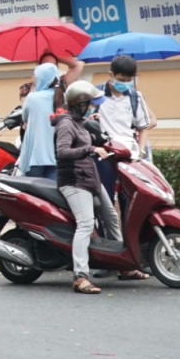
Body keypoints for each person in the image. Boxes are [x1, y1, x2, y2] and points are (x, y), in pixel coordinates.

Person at [55, 80, 124, 294]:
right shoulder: (66, 124)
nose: (93, 107)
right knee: (85, 224)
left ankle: (123, 265)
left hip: (89, 178)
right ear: (80, 104)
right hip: (74, 181)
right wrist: (90, 149)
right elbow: (62, 152)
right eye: (90, 104)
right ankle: (80, 276)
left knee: (111, 215)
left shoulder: (79, 122)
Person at [93, 53, 155, 194]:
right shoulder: (96, 94)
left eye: (129, 80)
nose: (125, 83)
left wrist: (141, 151)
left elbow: (143, 127)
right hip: (104, 153)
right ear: (111, 74)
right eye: (121, 79)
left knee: (128, 196)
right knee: (105, 195)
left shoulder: (135, 96)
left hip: (128, 154)